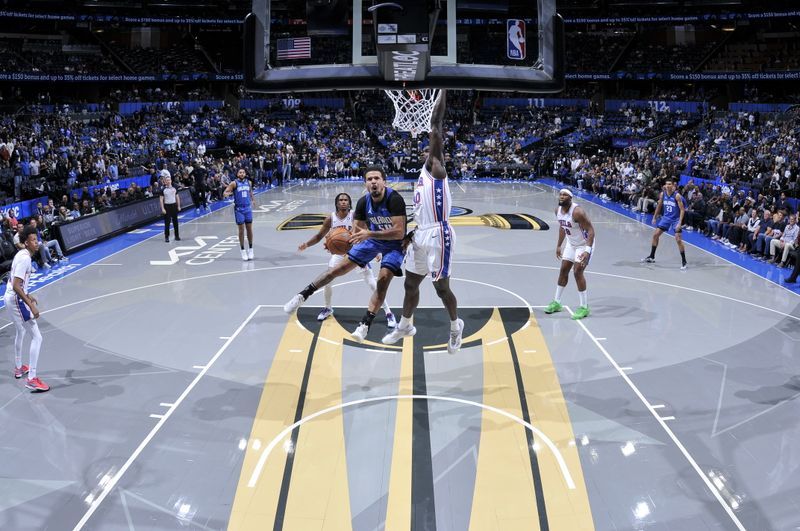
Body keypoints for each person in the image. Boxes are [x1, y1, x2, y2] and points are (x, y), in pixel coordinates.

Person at [381, 90, 464, 353]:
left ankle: (455, 326)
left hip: (439, 234)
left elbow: (436, 126)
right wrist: (409, 236)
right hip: (421, 234)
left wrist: (441, 89)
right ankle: (405, 325)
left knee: (441, 288)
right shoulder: (420, 176)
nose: (428, 149)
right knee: (410, 283)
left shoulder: (436, 167)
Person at [284, 166, 406, 342]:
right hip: (372, 241)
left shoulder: (394, 199)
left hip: (394, 245)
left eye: (377, 178)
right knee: (335, 270)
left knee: (383, 280)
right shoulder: (364, 202)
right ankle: (301, 296)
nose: (373, 182)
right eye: (370, 179)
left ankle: (364, 325)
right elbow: (356, 233)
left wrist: (369, 235)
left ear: (384, 182)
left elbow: (399, 232)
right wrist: (338, 245)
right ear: (365, 183)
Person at [297, 192, 396, 326]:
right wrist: (306, 244)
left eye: (346, 200)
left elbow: (369, 230)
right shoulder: (330, 218)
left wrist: (377, 251)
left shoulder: (356, 215)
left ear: (349, 203)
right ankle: (327, 308)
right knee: (327, 280)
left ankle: (388, 312)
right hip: (338, 255)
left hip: (357, 253)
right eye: (341, 200)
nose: (343, 202)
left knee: (373, 284)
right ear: (336, 203)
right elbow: (319, 236)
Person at [4, 226, 49, 392]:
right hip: (16, 299)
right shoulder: (25, 259)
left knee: (21, 332)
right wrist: (30, 305)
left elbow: (15, 282)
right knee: (37, 337)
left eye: (36, 240)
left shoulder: (21, 255)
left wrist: (28, 295)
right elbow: (16, 285)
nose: (36, 243)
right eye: (33, 240)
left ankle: (18, 368)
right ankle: (32, 379)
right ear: (25, 242)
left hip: (10, 298)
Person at [542, 189, 596, 320]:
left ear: (570, 198)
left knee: (577, 272)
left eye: (565, 195)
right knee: (563, 270)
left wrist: (587, 251)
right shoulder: (558, 211)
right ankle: (557, 302)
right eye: (560, 194)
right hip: (571, 244)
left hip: (584, 244)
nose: (561, 196)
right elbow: (562, 227)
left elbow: (590, 230)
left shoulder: (578, 212)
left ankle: (584, 307)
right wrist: (559, 245)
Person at [642, 178, 687, 270]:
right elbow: (659, 206)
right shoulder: (663, 194)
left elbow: (682, 210)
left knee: (678, 239)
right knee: (655, 235)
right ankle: (651, 257)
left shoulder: (677, 196)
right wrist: (654, 217)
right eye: (666, 184)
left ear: (673, 186)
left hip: (675, 219)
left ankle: (684, 261)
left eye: (670, 184)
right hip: (666, 218)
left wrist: (679, 222)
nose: (668, 185)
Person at [223, 168, 255, 261]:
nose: (242, 173)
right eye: (240, 172)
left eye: (243, 172)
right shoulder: (234, 183)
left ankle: (251, 249)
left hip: (248, 208)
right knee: (241, 230)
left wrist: (253, 200)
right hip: (239, 209)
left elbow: (250, 192)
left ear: (245, 173)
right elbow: (225, 193)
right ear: (237, 174)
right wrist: (229, 193)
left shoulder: (249, 182)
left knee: (249, 228)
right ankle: (242, 250)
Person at [159, 170, 180, 242]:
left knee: (175, 222)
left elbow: (177, 197)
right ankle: (166, 237)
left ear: (171, 180)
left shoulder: (174, 188)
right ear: (165, 181)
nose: (168, 181)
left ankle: (177, 236)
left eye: (169, 180)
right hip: (167, 206)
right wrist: (162, 208)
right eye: (167, 180)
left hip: (174, 206)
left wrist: (178, 206)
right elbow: (161, 200)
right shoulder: (163, 189)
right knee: (167, 223)